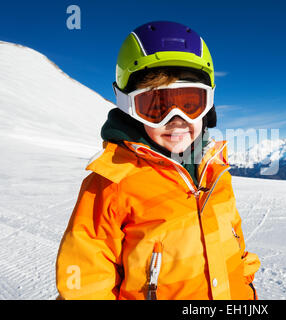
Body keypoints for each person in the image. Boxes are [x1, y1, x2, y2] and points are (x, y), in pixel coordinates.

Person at [55, 21, 260, 300]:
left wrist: (245, 288)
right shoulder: (110, 185)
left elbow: (235, 245)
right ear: (129, 108)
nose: (176, 121)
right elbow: (85, 284)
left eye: (190, 104)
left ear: (208, 106)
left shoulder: (216, 172)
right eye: (156, 107)